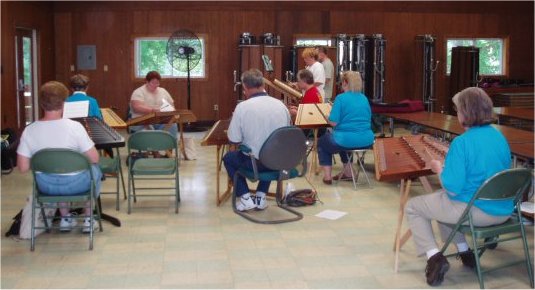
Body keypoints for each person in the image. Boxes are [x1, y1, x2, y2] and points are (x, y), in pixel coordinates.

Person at [405, 87, 511, 287]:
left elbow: (452, 188)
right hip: (503, 209)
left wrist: (439, 169)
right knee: (441, 202)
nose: (457, 114)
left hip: (475, 212)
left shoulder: (462, 142)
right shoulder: (499, 137)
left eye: (458, 110)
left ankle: (434, 258)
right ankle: (464, 252)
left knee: (414, 206)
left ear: (466, 112)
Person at [16, 81, 102, 233]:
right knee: (93, 168)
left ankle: (66, 218)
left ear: (41, 104)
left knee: (56, 170)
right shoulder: (75, 127)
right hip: (78, 184)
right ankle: (88, 218)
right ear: (64, 103)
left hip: (46, 186)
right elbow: (95, 158)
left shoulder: (29, 130)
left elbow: (22, 168)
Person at [223, 69, 291, 211]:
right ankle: (260, 196)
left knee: (229, 158)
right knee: (271, 152)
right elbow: (286, 136)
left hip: (255, 164)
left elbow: (233, 139)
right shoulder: (281, 105)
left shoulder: (242, 107)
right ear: (262, 84)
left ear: (245, 88)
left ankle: (245, 197)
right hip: (280, 162)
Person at [317, 71, 374, 184]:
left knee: (322, 142)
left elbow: (333, 123)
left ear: (344, 82)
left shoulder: (341, 98)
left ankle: (327, 177)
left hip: (345, 139)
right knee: (344, 142)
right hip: (367, 140)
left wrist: (326, 116)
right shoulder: (364, 98)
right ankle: (348, 173)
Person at [129, 71, 178, 139]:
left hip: (160, 121)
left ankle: (169, 146)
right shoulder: (138, 92)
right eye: (153, 83)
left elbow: (172, 106)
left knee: (172, 125)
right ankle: (153, 147)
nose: (155, 85)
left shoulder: (163, 91)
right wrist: (153, 110)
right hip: (142, 122)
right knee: (150, 131)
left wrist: (169, 111)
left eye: (157, 83)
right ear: (147, 82)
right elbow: (136, 107)